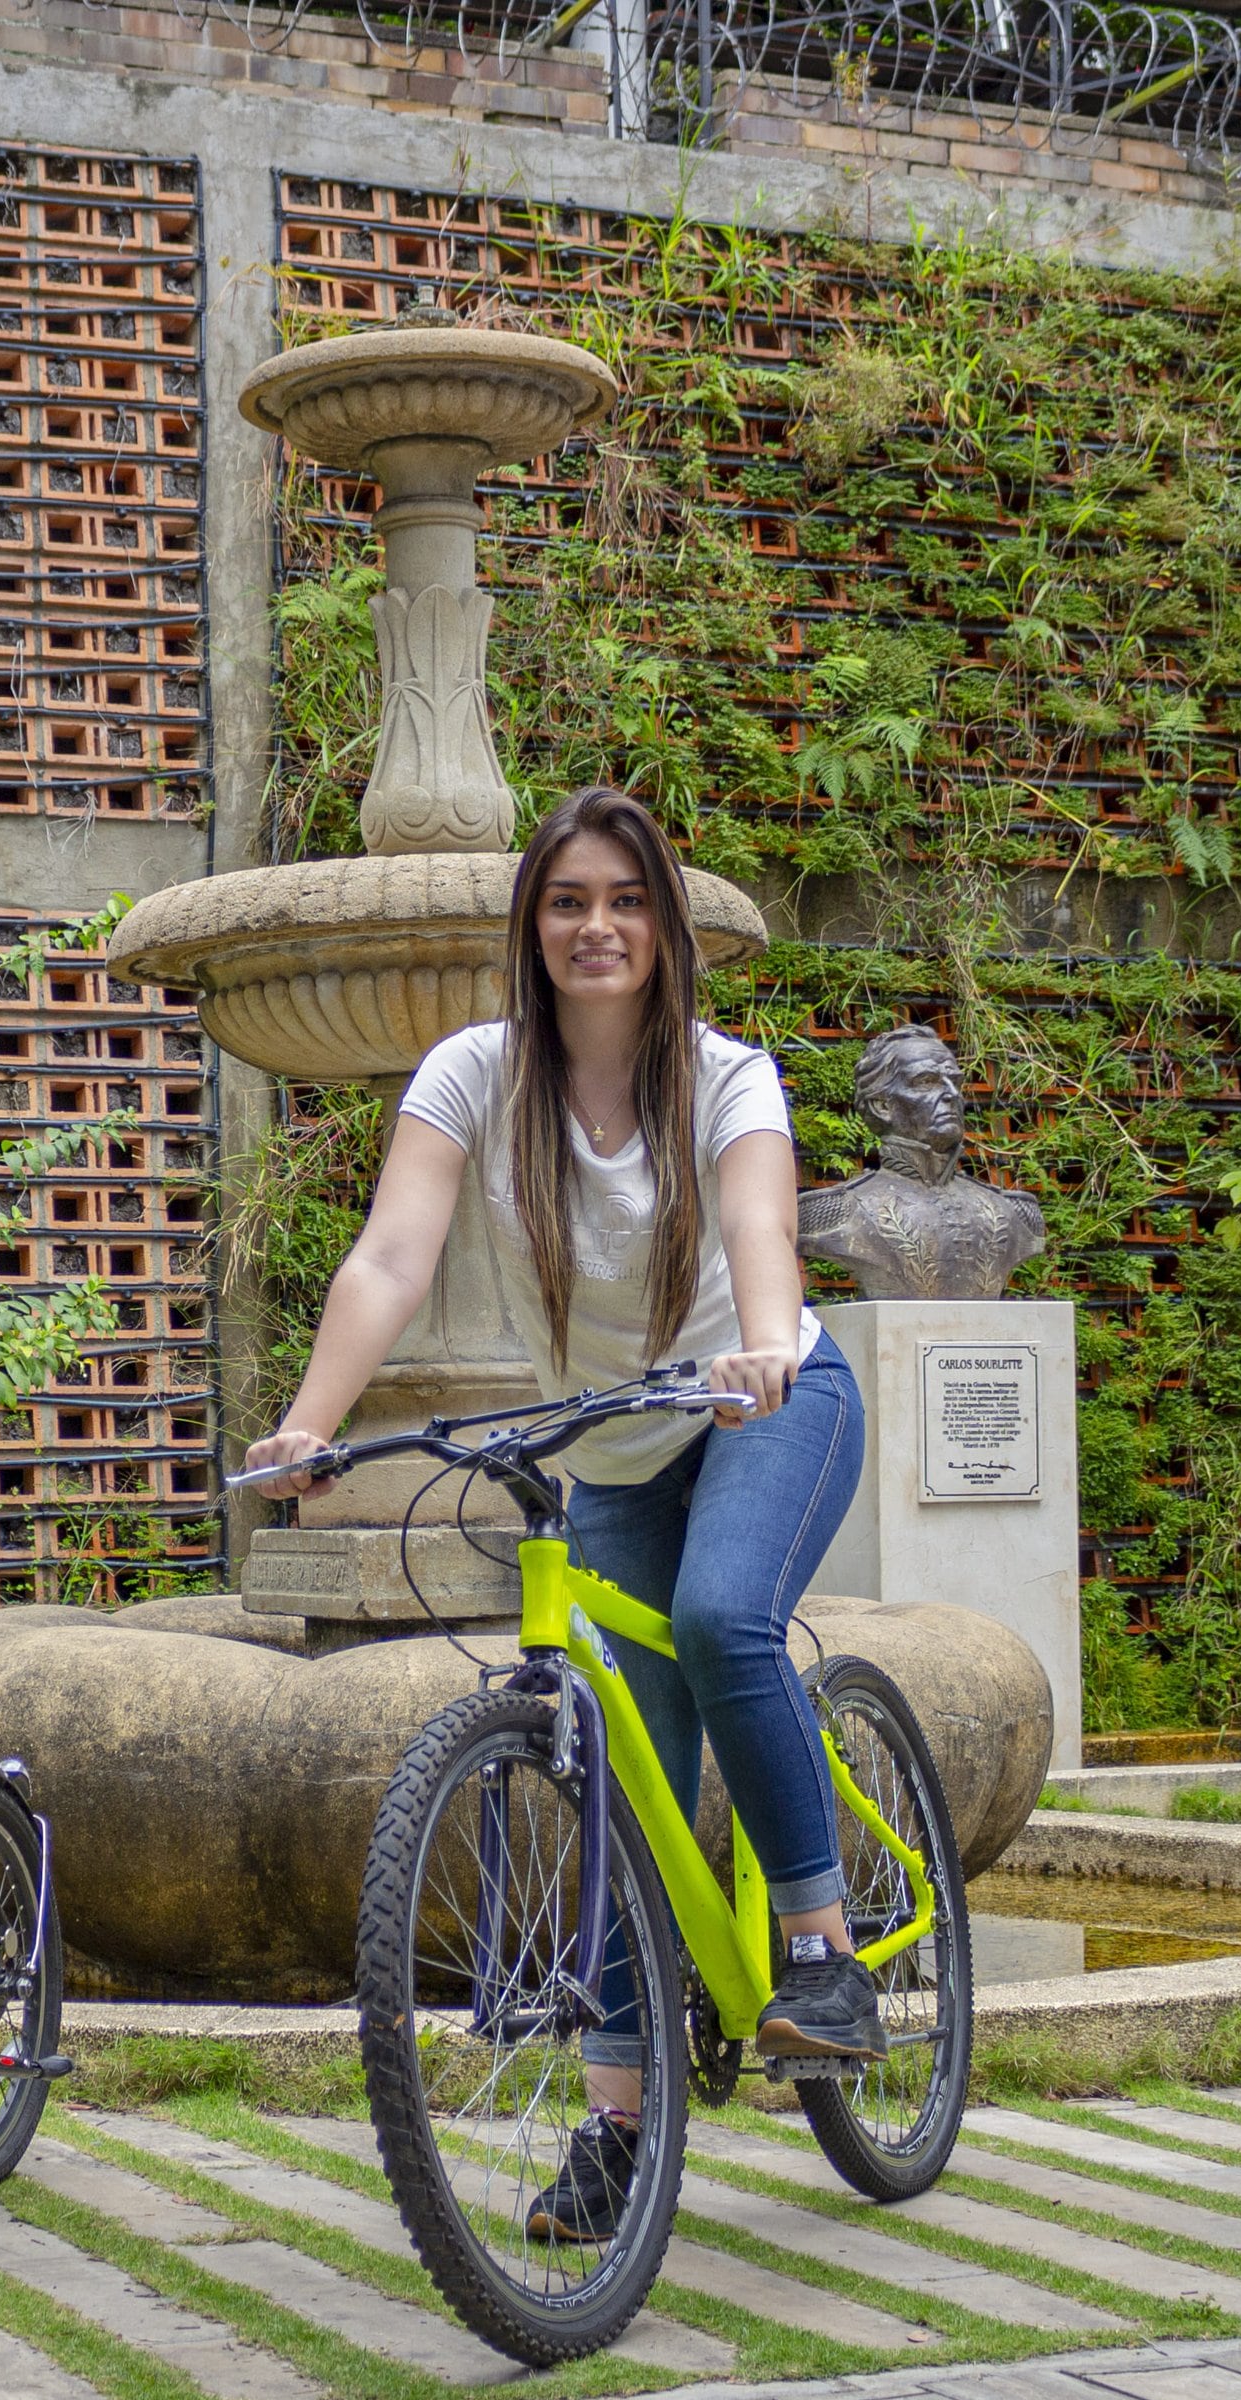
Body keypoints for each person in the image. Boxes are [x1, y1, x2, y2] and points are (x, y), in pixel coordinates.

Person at [239, 786, 870, 2246]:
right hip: (617, 1442)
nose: (600, 926)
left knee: (723, 1619)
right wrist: (316, 1418)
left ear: (665, 928)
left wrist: (768, 1344)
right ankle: (616, 2127)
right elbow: (392, 1255)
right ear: (533, 925)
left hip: (767, 1403)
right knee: (619, 1778)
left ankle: (823, 1946)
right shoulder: (473, 1074)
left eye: (628, 900)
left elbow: (764, 1230)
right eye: (571, 900)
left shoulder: (727, 1077)